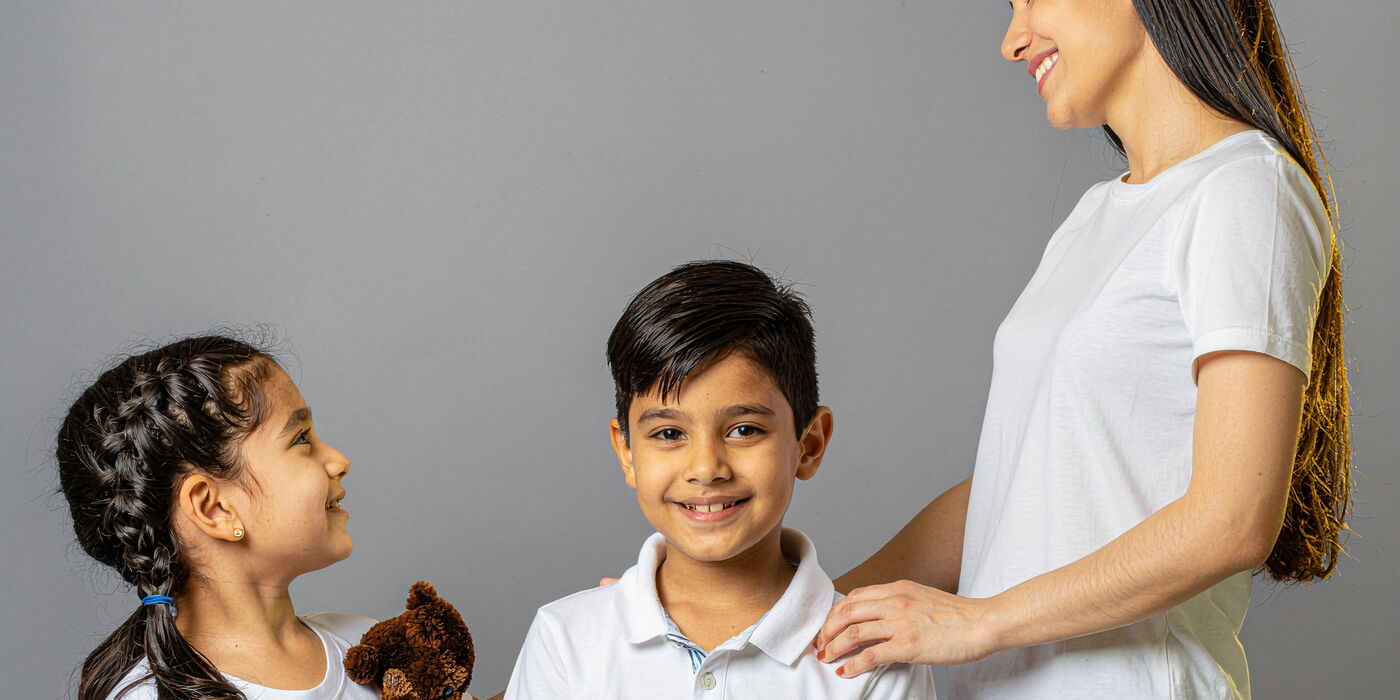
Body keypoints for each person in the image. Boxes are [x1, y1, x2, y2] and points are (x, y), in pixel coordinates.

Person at [813, 1, 1351, 698]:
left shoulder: (1244, 189)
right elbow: (1017, 484)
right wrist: (807, 615)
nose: (1012, 41)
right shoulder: (1098, 214)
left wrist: (981, 622)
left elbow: (1233, 518)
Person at [504, 261, 936, 699]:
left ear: (809, 445)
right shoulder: (567, 639)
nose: (707, 468)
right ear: (627, 452)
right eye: (669, 434)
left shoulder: (875, 660)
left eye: (744, 430)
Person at [56, 336, 471, 700]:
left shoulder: (366, 646)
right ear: (215, 509)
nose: (339, 461)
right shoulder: (153, 695)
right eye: (302, 439)